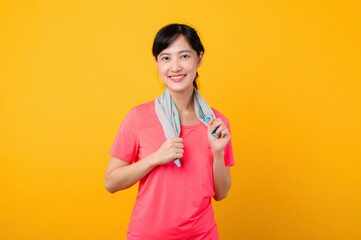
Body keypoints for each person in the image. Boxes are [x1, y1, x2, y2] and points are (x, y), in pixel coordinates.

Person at [104, 23, 235, 240]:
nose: (175, 67)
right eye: (166, 58)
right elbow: (111, 182)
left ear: (199, 59)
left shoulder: (216, 124)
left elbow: (221, 193)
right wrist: (155, 158)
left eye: (184, 56)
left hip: (202, 235)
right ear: (157, 63)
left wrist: (218, 152)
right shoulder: (138, 117)